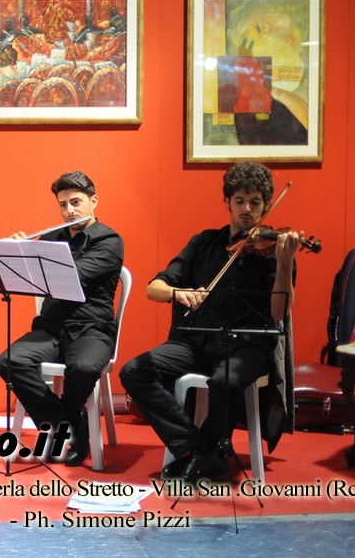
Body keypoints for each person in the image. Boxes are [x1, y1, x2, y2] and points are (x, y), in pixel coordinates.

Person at [119, 161, 300, 484]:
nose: (247, 209)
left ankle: (205, 453)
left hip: (247, 346)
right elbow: (153, 289)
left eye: (255, 202)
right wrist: (178, 292)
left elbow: (278, 312)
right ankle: (200, 450)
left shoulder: (274, 250)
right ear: (227, 202)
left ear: (266, 205)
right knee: (135, 371)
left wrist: (285, 263)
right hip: (197, 342)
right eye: (240, 201)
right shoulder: (204, 243)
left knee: (225, 380)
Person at [0, 171, 124, 467]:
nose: (69, 211)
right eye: (63, 205)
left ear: (93, 201)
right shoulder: (52, 239)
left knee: (85, 367)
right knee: (8, 361)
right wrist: (14, 255)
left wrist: (30, 252)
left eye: (76, 202)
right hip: (51, 328)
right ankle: (72, 424)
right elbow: (27, 280)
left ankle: (66, 423)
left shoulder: (109, 240)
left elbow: (72, 275)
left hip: (92, 329)